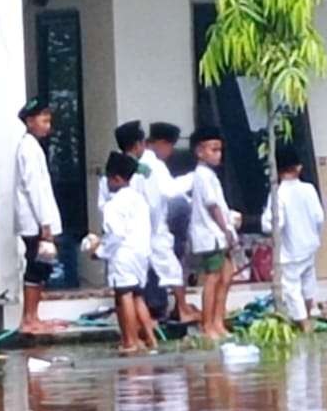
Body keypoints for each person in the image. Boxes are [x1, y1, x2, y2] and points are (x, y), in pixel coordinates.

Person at [86, 150, 156, 353]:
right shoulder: (139, 200)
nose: (106, 183)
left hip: (123, 254)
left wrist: (100, 252)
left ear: (116, 179)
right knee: (138, 296)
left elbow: (115, 235)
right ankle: (150, 339)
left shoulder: (113, 205)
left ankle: (130, 341)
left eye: (108, 178)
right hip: (141, 253)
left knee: (124, 295)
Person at [14, 98, 64, 335]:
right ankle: (29, 318)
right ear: (30, 121)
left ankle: (34, 316)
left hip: (38, 220)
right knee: (36, 267)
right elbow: (35, 188)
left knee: (42, 268)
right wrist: (45, 223)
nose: (48, 125)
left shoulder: (33, 147)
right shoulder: (29, 149)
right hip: (34, 222)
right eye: (44, 120)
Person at [263, 143, 325, 330]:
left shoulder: (279, 194)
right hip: (309, 245)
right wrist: (315, 234)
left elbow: (273, 223)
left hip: (290, 249)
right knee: (308, 283)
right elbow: (319, 217)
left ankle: (303, 323)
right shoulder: (309, 189)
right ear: (299, 167)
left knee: (291, 287)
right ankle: (307, 315)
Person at [188, 126, 240, 339]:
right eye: (212, 150)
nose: (217, 154)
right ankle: (207, 324)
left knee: (226, 276)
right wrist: (226, 228)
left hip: (219, 236)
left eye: (219, 150)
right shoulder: (201, 175)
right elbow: (212, 206)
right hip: (211, 235)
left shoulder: (210, 175)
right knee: (213, 278)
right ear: (200, 152)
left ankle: (218, 320)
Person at [144, 121, 198, 322]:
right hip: (155, 227)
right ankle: (182, 309)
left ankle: (174, 308)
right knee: (172, 269)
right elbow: (170, 190)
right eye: (170, 146)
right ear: (160, 143)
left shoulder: (142, 164)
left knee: (155, 271)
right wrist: (195, 177)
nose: (170, 151)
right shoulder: (155, 165)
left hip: (148, 226)